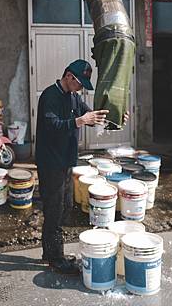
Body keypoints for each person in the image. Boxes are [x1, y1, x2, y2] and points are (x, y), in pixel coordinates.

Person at [35, 59, 111, 274]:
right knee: (54, 209)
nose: (81, 89)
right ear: (69, 77)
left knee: (66, 205)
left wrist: (113, 118)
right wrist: (79, 121)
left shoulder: (74, 98)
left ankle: (50, 253)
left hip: (66, 161)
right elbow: (52, 126)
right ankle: (55, 257)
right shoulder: (50, 96)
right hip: (51, 163)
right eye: (80, 83)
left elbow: (93, 116)